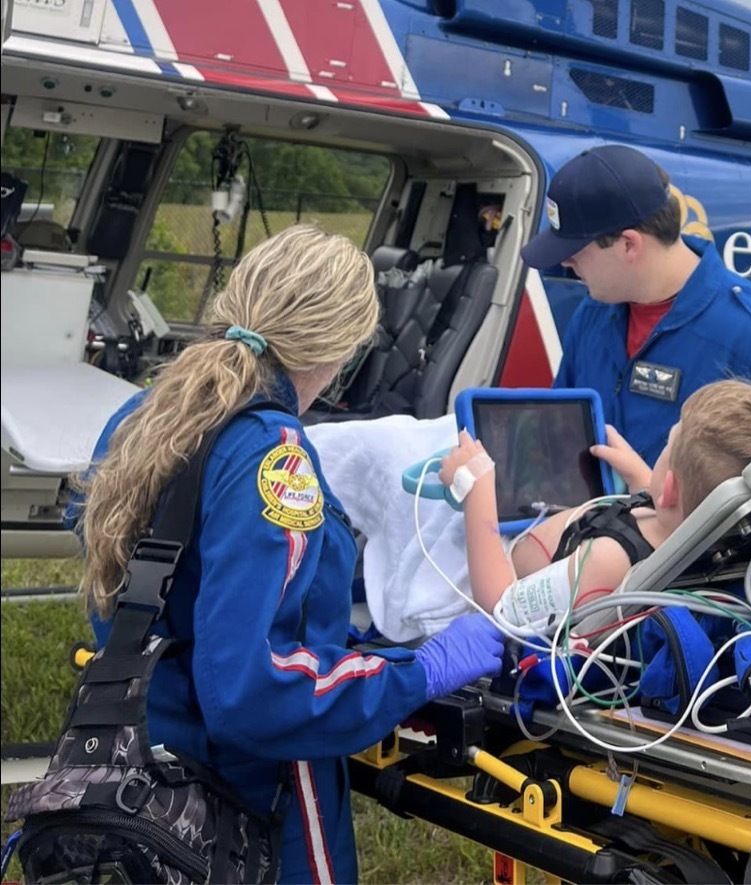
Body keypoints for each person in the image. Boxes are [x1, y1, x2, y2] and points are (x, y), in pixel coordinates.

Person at [72, 224, 505, 884]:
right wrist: (416, 671)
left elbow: (162, 589)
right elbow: (254, 690)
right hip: (242, 801)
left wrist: (346, 641)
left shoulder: (145, 412)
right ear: (343, 350)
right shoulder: (275, 458)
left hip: (136, 761)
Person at [520, 143, 751, 466]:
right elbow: (562, 427)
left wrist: (662, 504)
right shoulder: (593, 314)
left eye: (575, 252)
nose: (565, 265)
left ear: (629, 245)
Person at [438, 379, 751, 628]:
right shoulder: (689, 537)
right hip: (547, 527)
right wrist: (642, 477)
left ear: (670, 489)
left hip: (487, 568)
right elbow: (677, 512)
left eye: (669, 444)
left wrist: (478, 490)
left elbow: (501, 608)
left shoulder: (609, 561)